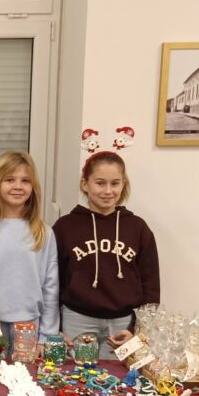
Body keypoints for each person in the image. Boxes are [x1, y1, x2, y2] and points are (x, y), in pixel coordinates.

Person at [52, 150, 160, 359]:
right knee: (74, 376)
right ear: (85, 184)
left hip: (123, 324)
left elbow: (151, 285)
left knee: (118, 377)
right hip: (76, 320)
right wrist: (55, 326)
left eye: (115, 183)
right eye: (100, 183)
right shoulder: (65, 227)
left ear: (123, 184)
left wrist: (138, 329)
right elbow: (53, 281)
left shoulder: (137, 228)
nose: (108, 191)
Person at [0, 151, 59, 347]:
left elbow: (50, 287)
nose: (18, 186)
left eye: (25, 181)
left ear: (33, 186)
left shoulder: (44, 232)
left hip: (29, 325)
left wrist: (46, 337)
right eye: (10, 180)